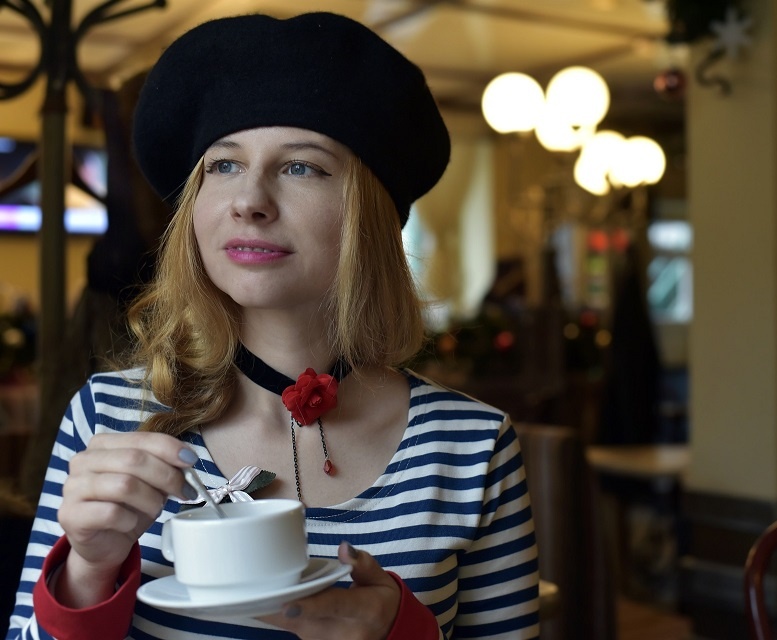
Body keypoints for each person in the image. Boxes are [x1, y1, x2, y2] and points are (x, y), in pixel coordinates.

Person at [6, 11, 539, 640]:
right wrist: (89, 572)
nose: (248, 200)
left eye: (301, 167)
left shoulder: (473, 445)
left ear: (370, 215)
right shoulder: (106, 418)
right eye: (223, 166)